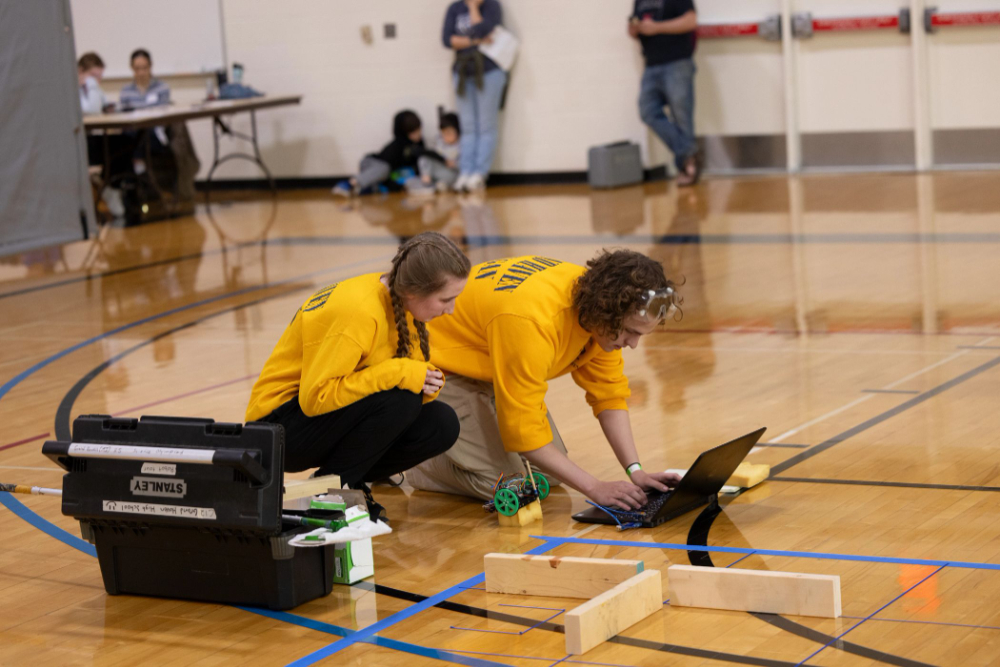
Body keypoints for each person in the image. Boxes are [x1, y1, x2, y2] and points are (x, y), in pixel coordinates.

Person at [407, 250, 684, 511]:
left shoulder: (599, 313)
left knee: (546, 478)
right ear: (607, 311)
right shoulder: (534, 321)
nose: (633, 344)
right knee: (512, 485)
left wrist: (635, 470)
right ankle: (409, 461)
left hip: (489, 360)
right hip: (435, 365)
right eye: (630, 332)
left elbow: (609, 395)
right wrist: (594, 487)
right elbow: (523, 432)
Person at [246, 232, 471, 520]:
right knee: (400, 400)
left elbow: (402, 376)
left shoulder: (404, 304)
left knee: (441, 424)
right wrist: (399, 373)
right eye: (445, 299)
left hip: (323, 421)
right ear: (415, 291)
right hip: (278, 431)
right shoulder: (358, 311)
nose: (450, 310)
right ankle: (332, 492)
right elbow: (316, 398)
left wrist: (422, 379)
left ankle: (339, 480)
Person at [629, 0, 701, 186]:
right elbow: (636, 27)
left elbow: (690, 21)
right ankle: (688, 154)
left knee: (681, 116)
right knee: (647, 112)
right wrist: (636, 30)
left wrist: (657, 27)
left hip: (677, 62)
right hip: (651, 63)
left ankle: (687, 167)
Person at [442, 0, 506, 192]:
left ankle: (479, 173)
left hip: (488, 72)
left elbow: (482, 30)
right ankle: (466, 171)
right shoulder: (454, 8)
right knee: (468, 126)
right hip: (462, 72)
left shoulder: (492, 6)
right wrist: (475, 42)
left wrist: (473, 7)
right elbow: (447, 40)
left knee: (486, 125)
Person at [333, 110, 428, 197]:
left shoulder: (419, 144)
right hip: (372, 164)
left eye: (419, 130)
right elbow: (388, 167)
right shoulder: (396, 146)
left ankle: (366, 188)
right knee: (385, 169)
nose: (418, 134)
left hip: (387, 175)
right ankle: (349, 184)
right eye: (413, 132)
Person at [417, 112, 461, 193]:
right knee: (424, 158)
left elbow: (466, 164)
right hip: (438, 169)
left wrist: (454, 164)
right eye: (443, 133)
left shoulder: (461, 145)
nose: (445, 137)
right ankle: (426, 180)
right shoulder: (439, 141)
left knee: (452, 177)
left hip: (451, 173)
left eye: (449, 133)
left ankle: (440, 184)